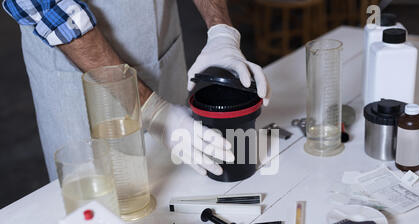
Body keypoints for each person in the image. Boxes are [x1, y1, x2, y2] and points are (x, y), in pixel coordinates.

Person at [3, 0, 270, 180]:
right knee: (105, 215)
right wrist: (153, 110)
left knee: (181, 184)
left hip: (162, 45)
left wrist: (221, 29)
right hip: (78, 67)